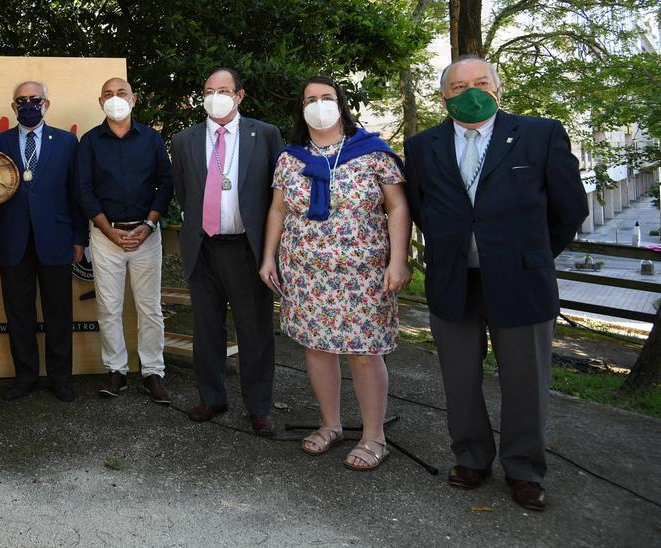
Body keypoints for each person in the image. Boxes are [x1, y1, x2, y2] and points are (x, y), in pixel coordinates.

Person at [403, 55, 587, 510]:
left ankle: (524, 469)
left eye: (481, 82)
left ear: (497, 88)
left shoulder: (540, 134)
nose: (470, 92)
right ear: (444, 96)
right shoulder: (422, 146)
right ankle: (471, 457)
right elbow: (422, 208)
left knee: (525, 382)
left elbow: (569, 210)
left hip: (521, 281)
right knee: (459, 378)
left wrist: (532, 257)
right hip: (453, 280)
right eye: (459, 85)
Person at [258, 76, 411, 471]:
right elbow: (277, 210)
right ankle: (331, 424)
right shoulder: (291, 159)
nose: (319, 104)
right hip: (306, 272)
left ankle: (374, 436)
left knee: (363, 352)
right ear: (301, 108)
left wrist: (398, 259)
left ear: (341, 104)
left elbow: (397, 207)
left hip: (363, 273)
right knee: (317, 348)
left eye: (326, 97)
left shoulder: (373, 152)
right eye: (310, 99)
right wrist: (268, 258)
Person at [170, 68, 284, 434]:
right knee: (206, 329)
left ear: (239, 95)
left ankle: (258, 406)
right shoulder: (184, 139)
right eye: (208, 90)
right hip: (203, 247)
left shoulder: (264, 135)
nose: (215, 96)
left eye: (223, 90)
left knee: (255, 331)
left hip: (247, 249)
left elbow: (277, 195)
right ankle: (212, 396)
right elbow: (183, 192)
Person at [0, 80, 86, 402]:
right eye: (22, 100)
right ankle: (25, 377)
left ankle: (61, 379)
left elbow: (77, 195)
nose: (29, 105)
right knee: (18, 313)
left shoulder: (68, 142)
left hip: (56, 239)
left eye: (35, 99)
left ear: (46, 104)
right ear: (14, 106)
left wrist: (80, 238)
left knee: (58, 313)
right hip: (13, 240)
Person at [75, 77, 173, 404]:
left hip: (146, 234)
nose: (115, 99)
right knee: (109, 307)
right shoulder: (89, 142)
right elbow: (84, 190)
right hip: (106, 235)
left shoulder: (152, 139)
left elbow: (166, 184)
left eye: (121, 93)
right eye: (108, 94)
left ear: (134, 99)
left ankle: (152, 372)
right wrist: (107, 230)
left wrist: (147, 225)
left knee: (150, 308)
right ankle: (116, 370)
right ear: (99, 100)